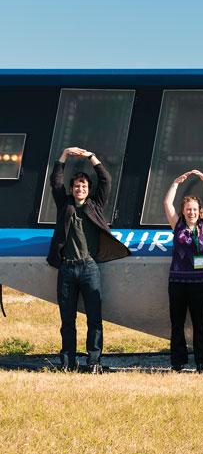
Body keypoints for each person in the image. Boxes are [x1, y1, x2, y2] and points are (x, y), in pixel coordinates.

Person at [46, 146, 130, 373]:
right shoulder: (66, 205)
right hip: (66, 269)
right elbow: (55, 182)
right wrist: (64, 155)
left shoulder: (95, 206)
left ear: (88, 189)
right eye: (76, 186)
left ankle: (93, 361)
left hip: (89, 268)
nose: (80, 188)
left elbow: (106, 181)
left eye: (84, 186)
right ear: (72, 189)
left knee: (94, 319)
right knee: (67, 321)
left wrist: (92, 157)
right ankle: (67, 362)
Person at [163, 170, 203, 373]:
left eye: (195, 209)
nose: (191, 212)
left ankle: (202, 362)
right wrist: (175, 183)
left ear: (199, 211)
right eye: (188, 209)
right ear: (184, 211)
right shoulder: (177, 226)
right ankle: (177, 362)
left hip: (199, 283)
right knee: (177, 323)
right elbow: (167, 204)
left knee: (199, 322)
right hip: (177, 282)